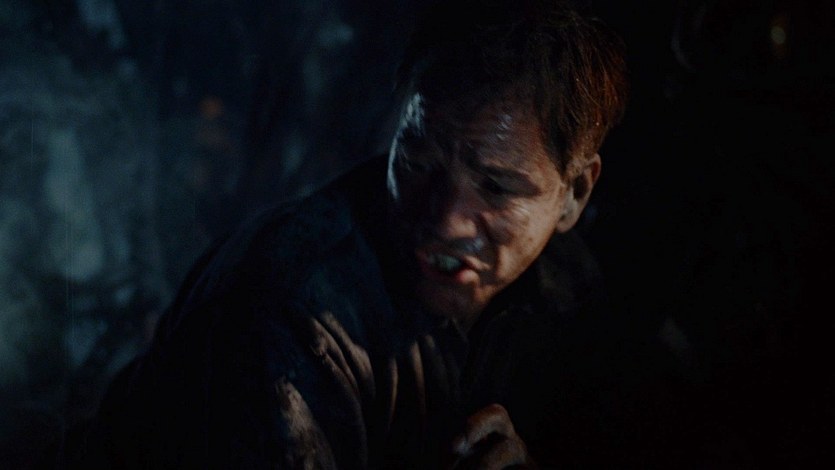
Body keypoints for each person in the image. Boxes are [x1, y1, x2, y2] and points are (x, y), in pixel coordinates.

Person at [69, 1, 641, 468]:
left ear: (575, 194)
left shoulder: (571, 294)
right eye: (418, 159)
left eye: (495, 188)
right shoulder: (288, 309)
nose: (445, 220)